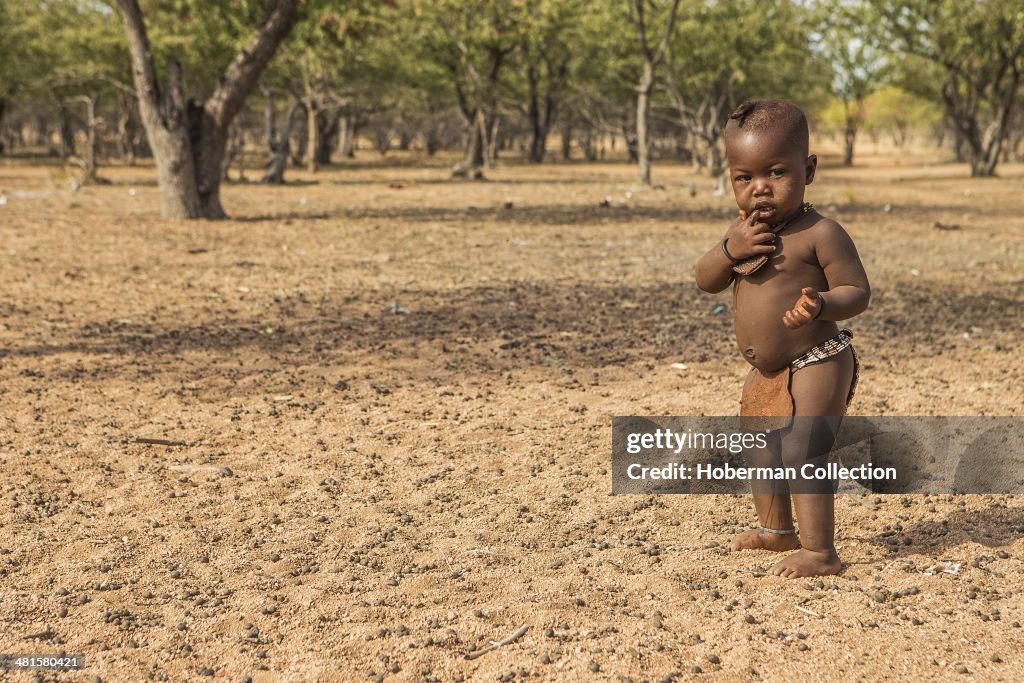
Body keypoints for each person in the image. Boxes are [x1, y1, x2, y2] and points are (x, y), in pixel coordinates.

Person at [694, 99, 871, 578]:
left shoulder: (821, 234)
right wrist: (730, 249)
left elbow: (858, 292)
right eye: (744, 177)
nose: (760, 189)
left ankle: (819, 553)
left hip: (818, 356)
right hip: (767, 369)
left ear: (808, 169)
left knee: (803, 448)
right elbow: (705, 279)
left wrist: (821, 305)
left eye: (776, 172)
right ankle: (777, 532)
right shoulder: (742, 232)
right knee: (761, 446)